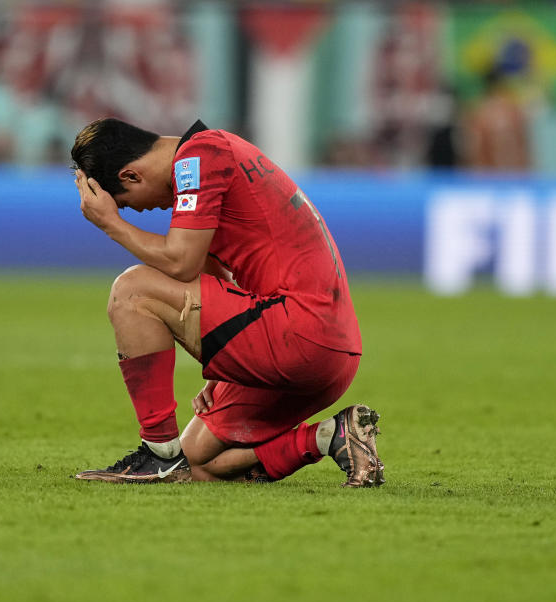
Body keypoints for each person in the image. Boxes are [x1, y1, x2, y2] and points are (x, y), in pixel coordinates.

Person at [70, 118, 383, 487]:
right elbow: (212, 274)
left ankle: (156, 454)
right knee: (198, 464)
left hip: (299, 332)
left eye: (125, 203)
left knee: (133, 291)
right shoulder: (210, 158)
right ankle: (331, 436)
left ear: (132, 175)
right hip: (325, 344)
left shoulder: (199, 155)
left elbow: (180, 262)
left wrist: (110, 224)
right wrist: (229, 365)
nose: (137, 212)